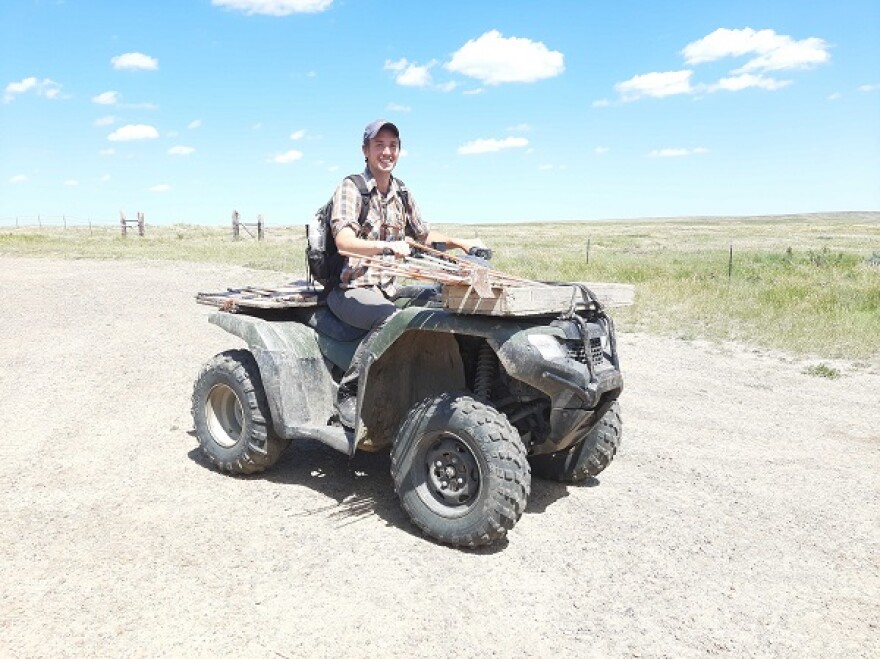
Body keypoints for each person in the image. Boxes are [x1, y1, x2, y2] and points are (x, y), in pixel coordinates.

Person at [328, 119, 488, 428]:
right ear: (365, 150)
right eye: (379, 145)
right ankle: (351, 391)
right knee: (390, 319)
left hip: (389, 287)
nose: (386, 152)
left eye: (392, 146)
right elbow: (344, 243)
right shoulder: (351, 188)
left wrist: (462, 244)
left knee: (438, 302)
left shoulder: (402, 192)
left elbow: (423, 237)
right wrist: (387, 248)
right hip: (351, 288)